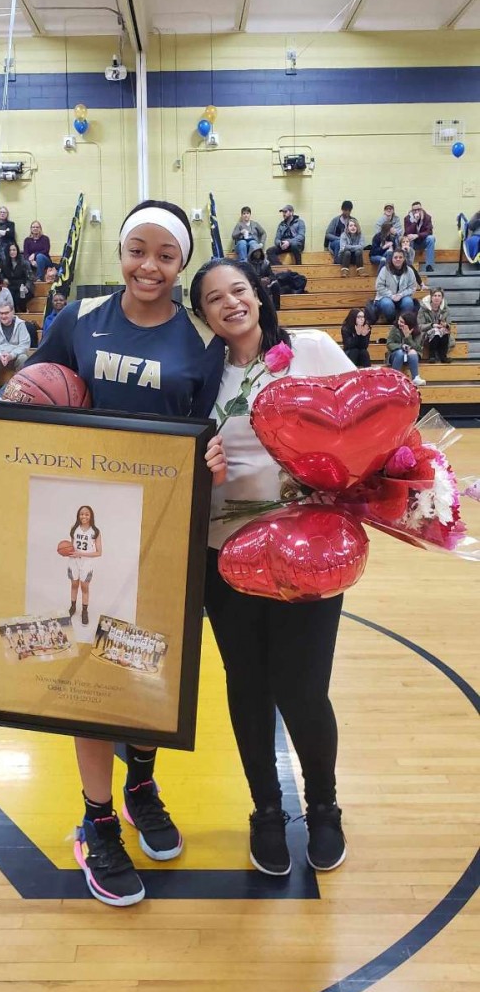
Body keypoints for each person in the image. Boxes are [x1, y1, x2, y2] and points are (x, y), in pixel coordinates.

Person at [0, 199, 227, 908]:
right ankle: (96, 819)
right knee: (88, 671)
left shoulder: (201, 341)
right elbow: (28, 396)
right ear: (122, 252)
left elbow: (208, 431)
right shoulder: (78, 319)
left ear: (181, 264)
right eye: (138, 250)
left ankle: (140, 780)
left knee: (146, 666)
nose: (149, 266)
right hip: (80, 521)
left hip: (164, 529)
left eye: (166, 256)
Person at [190, 257, 355, 876]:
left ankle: (324, 806)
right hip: (222, 555)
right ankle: (265, 809)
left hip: (308, 553)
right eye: (213, 299)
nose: (230, 303)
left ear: (258, 294)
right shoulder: (199, 377)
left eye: (239, 290)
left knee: (304, 689)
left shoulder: (311, 350)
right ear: (203, 314)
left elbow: (366, 425)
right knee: (249, 686)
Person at [66, 505, 102, 626]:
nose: (84, 516)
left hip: (86, 563)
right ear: (78, 515)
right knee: (74, 585)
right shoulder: (74, 528)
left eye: (86, 514)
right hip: (73, 562)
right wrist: (67, 552)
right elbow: (71, 547)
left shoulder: (95, 531)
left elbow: (99, 552)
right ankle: (73, 607)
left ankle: (84, 611)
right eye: (82, 514)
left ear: (90, 515)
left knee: (84, 587)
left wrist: (81, 553)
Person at [374, 249, 418, 323]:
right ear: (392, 259)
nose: (398, 259)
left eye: (400, 257)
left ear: (404, 259)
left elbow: (412, 287)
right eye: (395, 257)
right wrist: (391, 295)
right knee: (387, 304)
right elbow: (379, 286)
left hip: (402, 297)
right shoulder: (385, 270)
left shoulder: (409, 270)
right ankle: (392, 321)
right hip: (385, 297)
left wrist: (401, 295)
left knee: (408, 302)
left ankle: (404, 322)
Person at [386, 311, 426, 386]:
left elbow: (418, 348)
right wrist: (401, 346)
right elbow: (389, 343)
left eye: (402, 322)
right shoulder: (395, 328)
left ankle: (415, 378)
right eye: (399, 320)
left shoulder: (417, 332)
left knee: (413, 351)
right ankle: (394, 378)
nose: (399, 323)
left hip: (411, 356)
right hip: (396, 355)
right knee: (400, 353)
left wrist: (408, 337)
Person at [418, 287, 453, 363]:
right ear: (431, 297)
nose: (437, 298)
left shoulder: (446, 309)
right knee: (435, 331)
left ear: (442, 298)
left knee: (444, 331)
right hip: (426, 334)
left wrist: (445, 325)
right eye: (435, 295)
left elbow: (449, 326)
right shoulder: (423, 309)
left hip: (442, 333)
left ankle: (443, 356)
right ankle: (432, 356)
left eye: (439, 296)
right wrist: (432, 325)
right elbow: (420, 326)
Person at [267, 205, 305, 269]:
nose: (283, 214)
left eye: (285, 212)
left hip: (296, 245)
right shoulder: (281, 224)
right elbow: (277, 239)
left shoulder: (300, 222)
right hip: (284, 245)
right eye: (283, 212)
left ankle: (299, 266)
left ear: (291, 212)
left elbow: (301, 236)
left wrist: (289, 242)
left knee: (294, 244)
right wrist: (280, 243)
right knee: (269, 251)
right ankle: (281, 269)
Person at [0, 242, 34, 313]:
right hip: (11, 286)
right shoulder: (4, 263)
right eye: (10, 250)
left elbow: (30, 278)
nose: (12, 252)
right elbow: (1, 275)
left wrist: (26, 287)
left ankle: (24, 312)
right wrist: (3, 279)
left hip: (23, 286)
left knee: (19, 297)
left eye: (14, 250)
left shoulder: (24, 262)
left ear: (17, 251)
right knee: (10, 297)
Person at [404, 200, 435, 273]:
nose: (417, 211)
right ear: (412, 211)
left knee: (431, 238)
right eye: (414, 210)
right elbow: (408, 232)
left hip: (422, 241)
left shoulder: (427, 217)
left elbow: (429, 232)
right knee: (408, 238)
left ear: (421, 209)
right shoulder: (407, 218)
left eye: (418, 209)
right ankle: (409, 265)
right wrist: (415, 221)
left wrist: (417, 235)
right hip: (412, 243)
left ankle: (429, 266)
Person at [247, 243, 280, 310]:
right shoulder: (247, 264)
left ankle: (276, 308)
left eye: (259, 251)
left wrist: (269, 279)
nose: (258, 253)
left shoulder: (266, 263)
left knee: (276, 284)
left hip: (265, 284)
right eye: (255, 252)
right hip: (253, 284)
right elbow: (248, 277)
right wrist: (260, 280)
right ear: (252, 253)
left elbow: (271, 275)